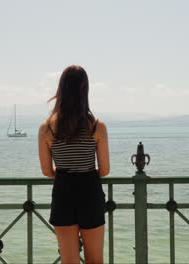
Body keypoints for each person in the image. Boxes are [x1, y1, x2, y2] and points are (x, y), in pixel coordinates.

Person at [38, 65, 110, 264]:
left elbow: (46, 171)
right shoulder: (97, 126)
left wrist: (67, 174)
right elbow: (104, 170)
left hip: (63, 192)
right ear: (85, 90)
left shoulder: (47, 128)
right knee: (95, 260)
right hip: (90, 192)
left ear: (61, 90)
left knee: (69, 261)